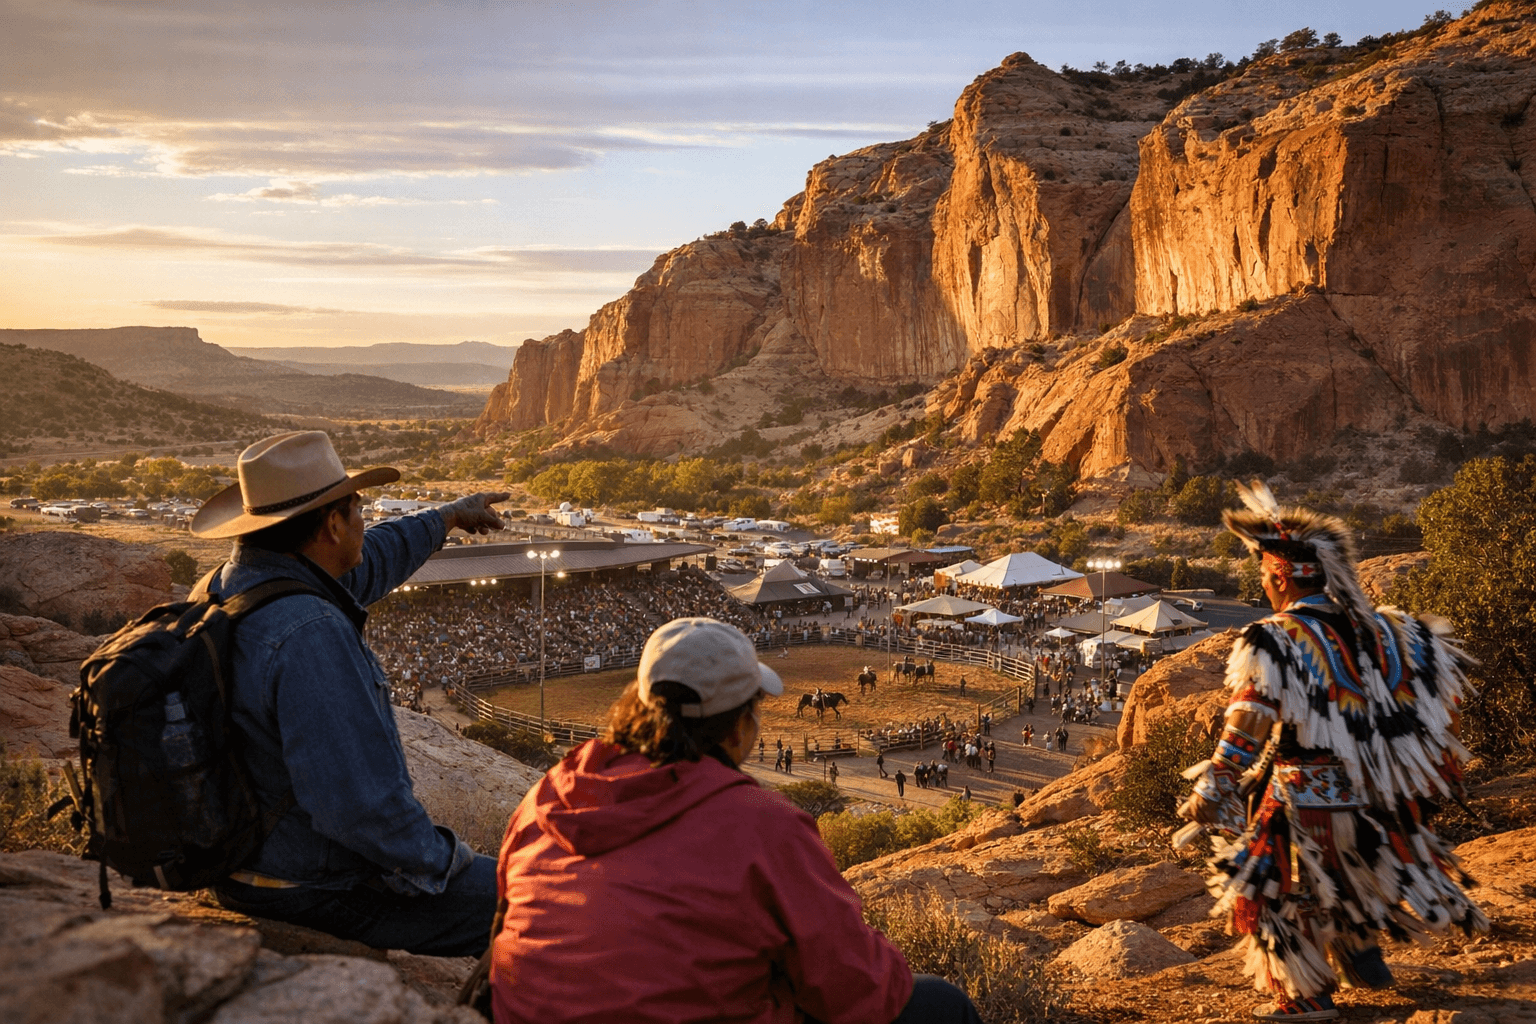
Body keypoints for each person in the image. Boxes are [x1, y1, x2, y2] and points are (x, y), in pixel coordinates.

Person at [490, 617, 979, 1023]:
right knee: (942, 1005)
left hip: (528, 1009)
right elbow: (858, 987)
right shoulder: (762, 825)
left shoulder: (550, 793)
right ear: (742, 724)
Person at [191, 431, 508, 956]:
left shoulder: (229, 586)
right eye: (359, 508)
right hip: (309, 885)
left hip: (240, 861)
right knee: (544, 903)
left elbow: (374, 558)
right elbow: (362, 809)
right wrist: (448, 864)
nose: (367, 519)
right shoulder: (309, 632)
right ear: (333, 526)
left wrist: (447, 517)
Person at [1179, 484, 1488, 1022]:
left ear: (1280, 576)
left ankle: (1305, 996)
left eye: (1263, 576)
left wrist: (1222, 774)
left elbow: (1253, 711)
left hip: (1308, 793)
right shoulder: (1400, 631)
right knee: (1354, 874)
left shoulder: (1276, 636)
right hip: (1387, 795)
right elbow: (1446, 707)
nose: (1263, 586)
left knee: (1272, 887)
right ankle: (1362, 957)